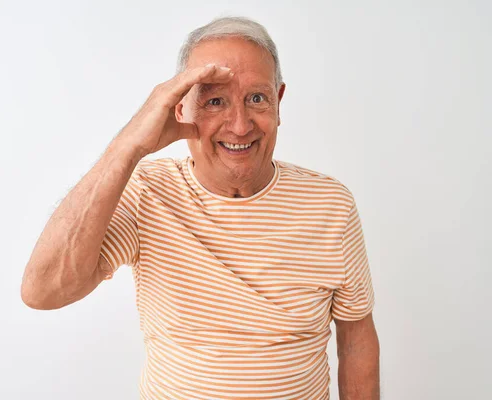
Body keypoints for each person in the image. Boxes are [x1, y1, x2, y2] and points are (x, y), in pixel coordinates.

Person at [21, 16, 380, 400]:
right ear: (180, 109)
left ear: (278, 101)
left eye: (256, 98)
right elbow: (44, 291)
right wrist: (129, 146)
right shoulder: (148, 191)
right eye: (214, 101)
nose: (240, 126)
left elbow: (356, 338)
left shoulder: (330, 204)